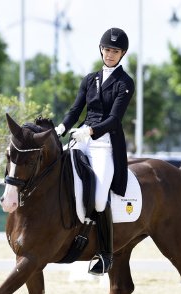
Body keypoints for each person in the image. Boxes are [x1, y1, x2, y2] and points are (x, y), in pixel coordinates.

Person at [55, 27, 135, 275]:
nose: (110, 54)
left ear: (122, 54)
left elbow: (114, 119)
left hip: (105, 144)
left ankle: (105, 254)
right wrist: (62, 127)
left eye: (115, 51)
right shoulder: (90, 79)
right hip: (81, 137)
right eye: (107, 49)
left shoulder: (125, 83)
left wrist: (90, 132)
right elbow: (75, 109)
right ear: (101, 50)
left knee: (100, 199)